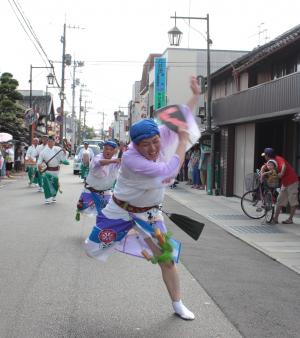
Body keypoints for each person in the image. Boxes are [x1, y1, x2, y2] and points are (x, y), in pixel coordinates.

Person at [84, 76, 201, 320]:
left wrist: (195, 96)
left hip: (149, 213)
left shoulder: (160, 134)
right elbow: (169, 171)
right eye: (145, 144)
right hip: (119, 209)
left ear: (159, 135)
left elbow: (183, 118)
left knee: (166, 258)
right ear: (135, 145)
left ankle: (177, 303)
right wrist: (181, 141)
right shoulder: (131, 158)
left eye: (155, 142)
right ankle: (129, 232)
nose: (153, 148)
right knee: (94, 247)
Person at [76, 140, 121, 220]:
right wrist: (113, 161)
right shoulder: (98, 157)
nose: (108, 151)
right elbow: (99, 162)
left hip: (106, 192)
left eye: (111, 150)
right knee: (84, 210)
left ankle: (101, 228)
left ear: (114, 151)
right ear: (103, 149)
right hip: (90, 191)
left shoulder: (116, 161)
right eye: (106, 149)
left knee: (107, 215)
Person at [261, 148, 299, 224]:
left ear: (268, 156)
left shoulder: (278, 159)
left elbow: (284, 165)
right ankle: (275, 219)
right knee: (279, 200)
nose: (264, 157)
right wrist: (262, 173)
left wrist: (281, 173)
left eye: (265, 155)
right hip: (285, 183)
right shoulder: (270, 161)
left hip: (292, 181)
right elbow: (264, 166)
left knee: (292, 201)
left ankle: (290, 219)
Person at [37, 136, 68, 204]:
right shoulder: (43, 152)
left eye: (52, 141)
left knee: (55, 184)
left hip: (56, 170)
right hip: (47, 170)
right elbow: (39, 161)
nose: (51, 143)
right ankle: (47, 198)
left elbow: (63, 158)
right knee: (47, 184)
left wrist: (65, 152)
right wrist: (39, 166)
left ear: (54, 142)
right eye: (49, 141)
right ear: (48, 142)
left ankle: (54, 196)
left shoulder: (58, 149)